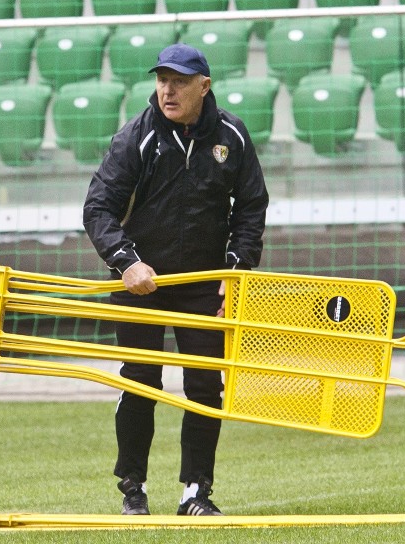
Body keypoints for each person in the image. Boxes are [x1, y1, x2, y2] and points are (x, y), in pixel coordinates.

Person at [83, 43, 269, 516]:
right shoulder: (135, 138)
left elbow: (251, 208)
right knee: (141, 379)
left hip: (206, 282)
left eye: (180, 81)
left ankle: (196, 492)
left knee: (206, 386)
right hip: (139, 281)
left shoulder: (232, 135)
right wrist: (127, 262)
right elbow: (97, 208)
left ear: (204, 87)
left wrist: (237, 268)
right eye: (162, 80)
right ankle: (133, 489)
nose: (168, 90)